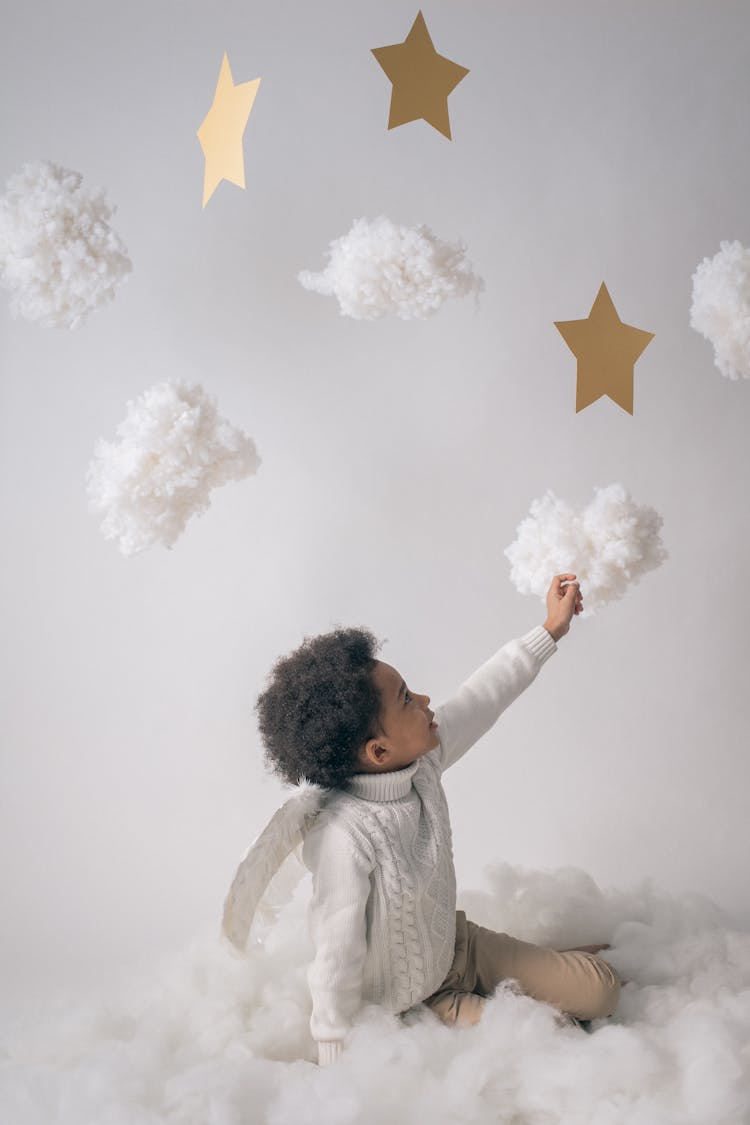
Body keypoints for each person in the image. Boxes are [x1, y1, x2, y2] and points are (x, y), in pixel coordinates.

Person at [254, 574, 621, 1066]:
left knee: (602, 993)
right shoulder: (345, 835)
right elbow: (334, 957)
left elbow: (483, 696)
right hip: (414, 1002)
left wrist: (549, 630)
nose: (425, 702)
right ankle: (523, 997)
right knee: (552, 1034)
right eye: (407, 699)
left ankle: (557, 973)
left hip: (457, 947)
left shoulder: (421, 763)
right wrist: (335, 1054)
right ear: (378, 750)